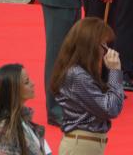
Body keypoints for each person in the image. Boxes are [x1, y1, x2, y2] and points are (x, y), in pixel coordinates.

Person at [49, 17, 123, 155]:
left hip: (85, 144)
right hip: (82, 146)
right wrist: (115, 71)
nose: (106, 51)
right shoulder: (77, 75)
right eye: (103, 45)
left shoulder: (78, 71)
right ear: (91, 46)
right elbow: (110, 108)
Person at [0, 64, 50, 155]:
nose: (33, 83)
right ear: (12, 90)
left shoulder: (20, 118)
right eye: (26, 82)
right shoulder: (4, 130)